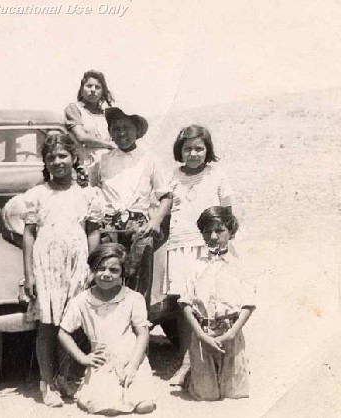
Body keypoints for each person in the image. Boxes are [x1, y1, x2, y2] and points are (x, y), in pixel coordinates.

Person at [20, 132, 104, 407]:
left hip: (76, 265)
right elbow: (29, 234)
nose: (57, 161)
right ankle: (47, 382)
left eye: (63, 156)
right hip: (47, 267)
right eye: (51, 157)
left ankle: (66, 378)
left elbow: (93, 232)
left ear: (73, 158)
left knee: (71, 326)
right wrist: (30, 273)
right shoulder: (37, 194)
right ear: (45, 161)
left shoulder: (87, 195)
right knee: (48, 326)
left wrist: (91, 267)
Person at [165, 125, 234, 385]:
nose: (193, 153)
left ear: (207, 150)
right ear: (179, 150)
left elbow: (228, 214)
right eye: (188, 148)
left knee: (214, 301)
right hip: (180, 245)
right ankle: (187, 362)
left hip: (209, 245)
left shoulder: (216, 175)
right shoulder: (172, 176)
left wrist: (226, 246)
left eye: (199, 148)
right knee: (186, 304)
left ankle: (219, 360)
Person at [58, 243, 156, 415]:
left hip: (130, 357)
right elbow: (63, 332)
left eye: (113, 270)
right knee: (108, 408)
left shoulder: (133, 298)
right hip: (102, 359)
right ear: (93, 269)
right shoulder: (81, 301)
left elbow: (142, 334)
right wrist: (82, 358)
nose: (106, 274)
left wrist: (133, 365)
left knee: (144, 405)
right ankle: (89, 390)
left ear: (122, 273)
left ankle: (136, 386)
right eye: (101, 268)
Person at [91, 107, 172, 292]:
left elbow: (166, 196)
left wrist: (156, 220)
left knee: (139, 283)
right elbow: (92, 192)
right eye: (116, 128)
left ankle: (138, 319)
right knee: (108, 277)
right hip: (109, 229)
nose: (121, 133)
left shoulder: (149, 159)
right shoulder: (102, 160)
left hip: (139, 230)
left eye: (126, 128)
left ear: (137, 130)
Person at [178, 206, 255, 400]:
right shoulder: (194, 265)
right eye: (207, 231)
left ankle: (230, 369)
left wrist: (231, 332)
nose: (213, 236)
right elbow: (185, 304)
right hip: (203, 334)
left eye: (219, 231)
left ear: (231, 232)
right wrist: (200, 334)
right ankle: (192, 376)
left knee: (234, 393)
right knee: (206, 395)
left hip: (231, 333)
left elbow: (248, 304)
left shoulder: (239, 265)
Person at [65, 70, 116, 170]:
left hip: (109, 164)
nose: (93, 90)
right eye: (89, 86)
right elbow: (82, 138)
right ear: (82, 89)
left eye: (97, 87)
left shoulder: (106, 114)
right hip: (86, 164)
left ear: (102, 92)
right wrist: (109, 144)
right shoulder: (74, 109)